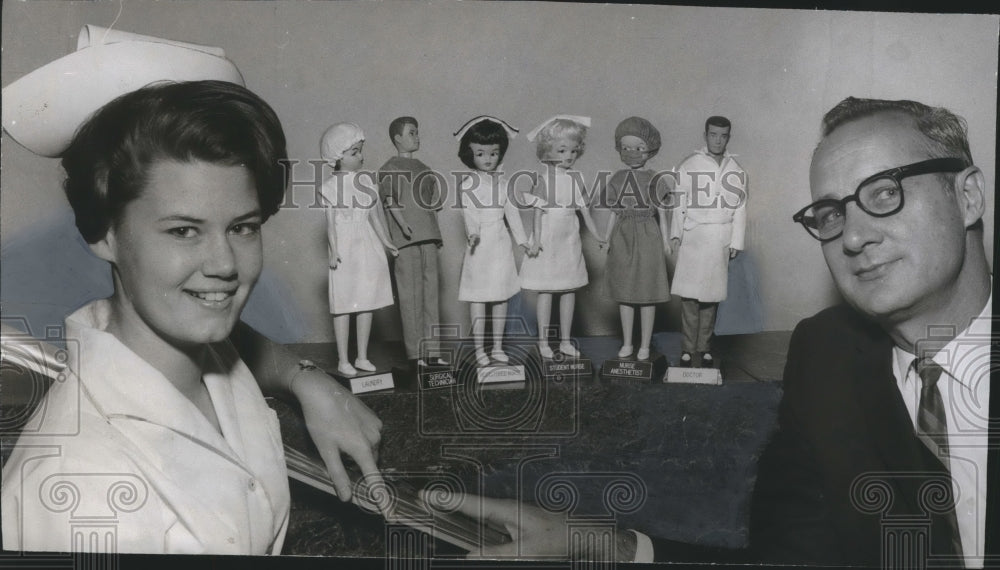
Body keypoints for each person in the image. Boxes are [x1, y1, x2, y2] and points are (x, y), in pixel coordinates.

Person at [422, 97, 994, 568]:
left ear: (968, 196)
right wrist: (614, 548)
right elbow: (788, 557)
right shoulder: (826, 355)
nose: (852, 237)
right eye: (831, 212)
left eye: (885, 193)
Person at [0, 80, 379, 554]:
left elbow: (236, 345)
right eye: (183, 231)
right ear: (104, 235)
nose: (224, 264)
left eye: (243, 227)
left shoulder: (196, 345)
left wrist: (306, 379)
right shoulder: (79, 494)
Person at [519, 116, 606, 359]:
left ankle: (566, 341)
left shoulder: (576, 180)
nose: (569, 155)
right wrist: (535, 240)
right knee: (546, 291)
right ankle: (543, 341)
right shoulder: (544, 180)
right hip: (548, 237)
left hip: (569, 239)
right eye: (562, 150)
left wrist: (598, 235)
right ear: (548, 150)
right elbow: (537, 212)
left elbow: (585, 212)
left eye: (573, 150)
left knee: (569, 289)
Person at [453, 116, 534, 366]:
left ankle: (497, 347)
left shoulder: (504, 183)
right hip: (480, 246)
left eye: (493, 153)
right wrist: (473, 232)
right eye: (480, 153)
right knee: (478, 297)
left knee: (501, 296)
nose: (488, 159)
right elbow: (470, 212)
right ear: (470, 154)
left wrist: (522, 241)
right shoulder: (468, 184)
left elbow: (512, 214)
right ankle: (479, 350)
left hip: (500, 243)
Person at [318, 123, 398, 377]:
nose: (361, 157)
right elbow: (330, 224)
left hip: (368, 247)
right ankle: (343, 360)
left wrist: (387, 242)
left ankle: (362, 357)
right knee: (343, 305)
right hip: (345, 248)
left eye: (360, 151)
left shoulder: (367, 185)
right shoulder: (329, 188)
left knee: (367, 302)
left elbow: (375, 219)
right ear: (338, 157)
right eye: (354, 152)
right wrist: (333, 251)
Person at [669, 116, 748, 368]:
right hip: (694, 235)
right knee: (690, 297)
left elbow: (740, 207)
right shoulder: (690, 165)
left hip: (719, 239)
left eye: (723, 135)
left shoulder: (735, 169)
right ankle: (687, 348)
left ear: (728, 137)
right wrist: (676, 233)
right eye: (713, 134)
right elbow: (679, 201)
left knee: (710, 298)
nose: (718, 140)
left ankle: (704, 348)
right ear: (705, 135)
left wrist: (736, 240)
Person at [377, 117, 449, 368]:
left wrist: (436, 233)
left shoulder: (425, 169)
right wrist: (402, 224)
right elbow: (389, 200)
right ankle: (416, 354)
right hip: (406, 240)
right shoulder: (389, 168)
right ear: (397, 138)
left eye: (417, 132)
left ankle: (433, 351)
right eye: (411, 133)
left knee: (431, 296)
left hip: (428, 236)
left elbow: (433, 206)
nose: (416, 137)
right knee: (410, 297)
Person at [602, 117, 673, 361]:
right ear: (619, 149)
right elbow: (614, 211)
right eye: (626, 148)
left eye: (639, 148)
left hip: (648, 235)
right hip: (623, 237)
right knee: (625, 293)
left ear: (650, 149)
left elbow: (663, 212)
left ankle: (644, 344)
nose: (632, 153)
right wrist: (607, 238)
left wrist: (665, 240)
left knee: (647, 293)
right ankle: (628, 342)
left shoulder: (656, 179)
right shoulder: (617, 178)